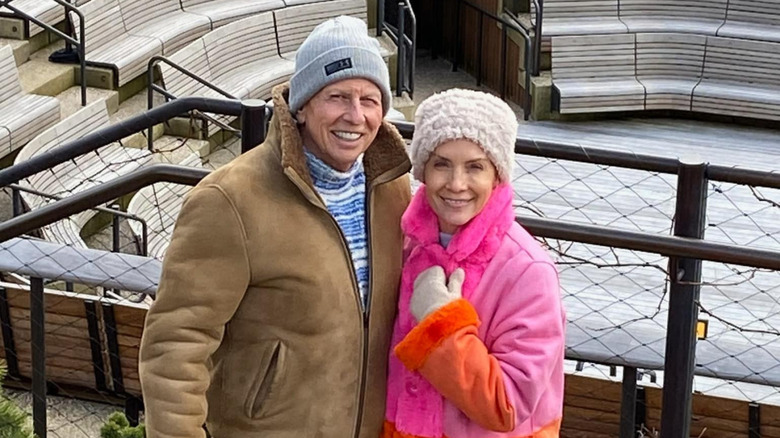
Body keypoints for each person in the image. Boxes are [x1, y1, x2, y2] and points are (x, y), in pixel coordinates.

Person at [138, 16, 412, 438]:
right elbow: (176, 344)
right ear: (301, 106)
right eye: (337, 96)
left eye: (369, 99)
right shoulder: (229, 200)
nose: (355, 116)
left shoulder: (393, 185)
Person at [382, 89, 566, 438]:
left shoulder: (529, 271)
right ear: (422, 170)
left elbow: (507, 404)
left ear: (497, 175)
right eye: (441, 164)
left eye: (475, 167)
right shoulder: (404, 245)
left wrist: (441, 325)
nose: (456, 184)